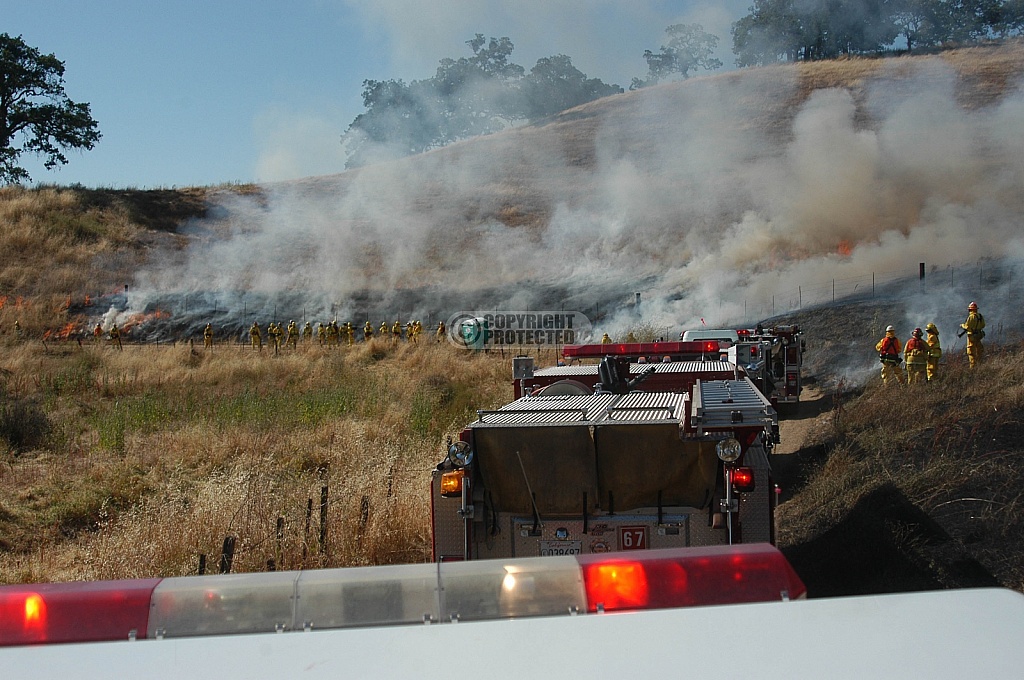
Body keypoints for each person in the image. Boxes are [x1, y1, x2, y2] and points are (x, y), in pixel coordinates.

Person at [960, 301, 985, 368]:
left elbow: (967, 327)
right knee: (979, 351)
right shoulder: (980, 316)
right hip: (978, 335)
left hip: (971, 337)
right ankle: (980, 366)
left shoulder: (971, 317)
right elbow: (983, 325)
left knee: (971, 353)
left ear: (970, 309)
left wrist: (962, 325)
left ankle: (973, 368)